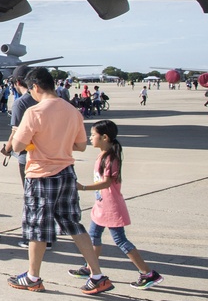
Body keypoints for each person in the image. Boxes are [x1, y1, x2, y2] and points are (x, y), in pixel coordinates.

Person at [8, 67, 113, 295]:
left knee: (38, 228)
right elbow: (81, 145)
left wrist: (33, 141)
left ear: (35, 86)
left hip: (41, 175)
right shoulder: (72, 111)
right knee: (74, 223)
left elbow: (17, 146)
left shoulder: (35, 112)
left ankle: (33, 277)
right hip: (66, 173)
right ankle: (97, 275)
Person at [70, 120, 164, 289]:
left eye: (93, 135)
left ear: (104, 137)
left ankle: (148, 274)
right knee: (93, 237)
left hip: (111, 207)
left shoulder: (110, 158)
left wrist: (82, 187)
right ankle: (91, 268)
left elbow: (106, 183)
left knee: (120, 240)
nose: (90, 138)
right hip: (102, 205)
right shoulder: (103, 154)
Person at [0, 65, 39, 249]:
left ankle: (32, 236)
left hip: (26, 156)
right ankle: (45, 236)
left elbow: (15, 132)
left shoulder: (21, 103)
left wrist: (7, 149)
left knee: (30, 197)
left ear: (17, 82)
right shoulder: (44, 99)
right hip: (46, 154)